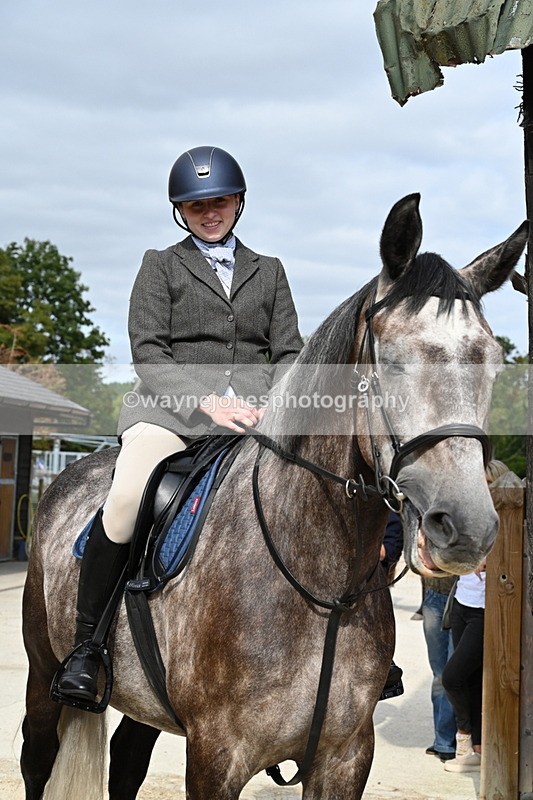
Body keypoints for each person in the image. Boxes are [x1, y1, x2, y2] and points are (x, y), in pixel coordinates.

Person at [56, 145, 303, 703]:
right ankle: (87, 648)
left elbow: (288, 352)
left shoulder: (270, 272)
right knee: (124, 498)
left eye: (218, 201)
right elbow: (149, 354)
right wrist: (209, 403)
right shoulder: (160, 265)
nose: (208, 212)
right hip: (169, 415)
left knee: (316, 486)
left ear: (238, 202)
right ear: (180, 211)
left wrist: (277, 404)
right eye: (196, 206)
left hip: (254, 419)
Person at [441, 459, 510, 773]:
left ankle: (465, 740)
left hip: (485, 612)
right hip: (462, 604)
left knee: (453, 676)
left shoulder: (506, 523)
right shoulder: (474, 518)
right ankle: (476, 753)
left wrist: (488, 563)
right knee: (469, 679)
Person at [421, 575, 457, 761]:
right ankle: (443, 740)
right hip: (434, 595)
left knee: (454, 674)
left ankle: (457, 738)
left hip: (463, 598)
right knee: (440, 675)